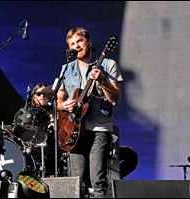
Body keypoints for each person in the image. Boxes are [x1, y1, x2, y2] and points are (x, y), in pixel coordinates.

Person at [56, 27, 123, 198]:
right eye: (72, 44)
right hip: (74, 130)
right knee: (76, 182)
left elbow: (115, 98)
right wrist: (65, 105)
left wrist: (102, 80)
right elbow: (58, 100)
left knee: (97, 180)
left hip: (99, 128)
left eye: (79, 41)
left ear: (89, 42)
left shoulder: (108, 65)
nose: (76, 46)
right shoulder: (66, 69)